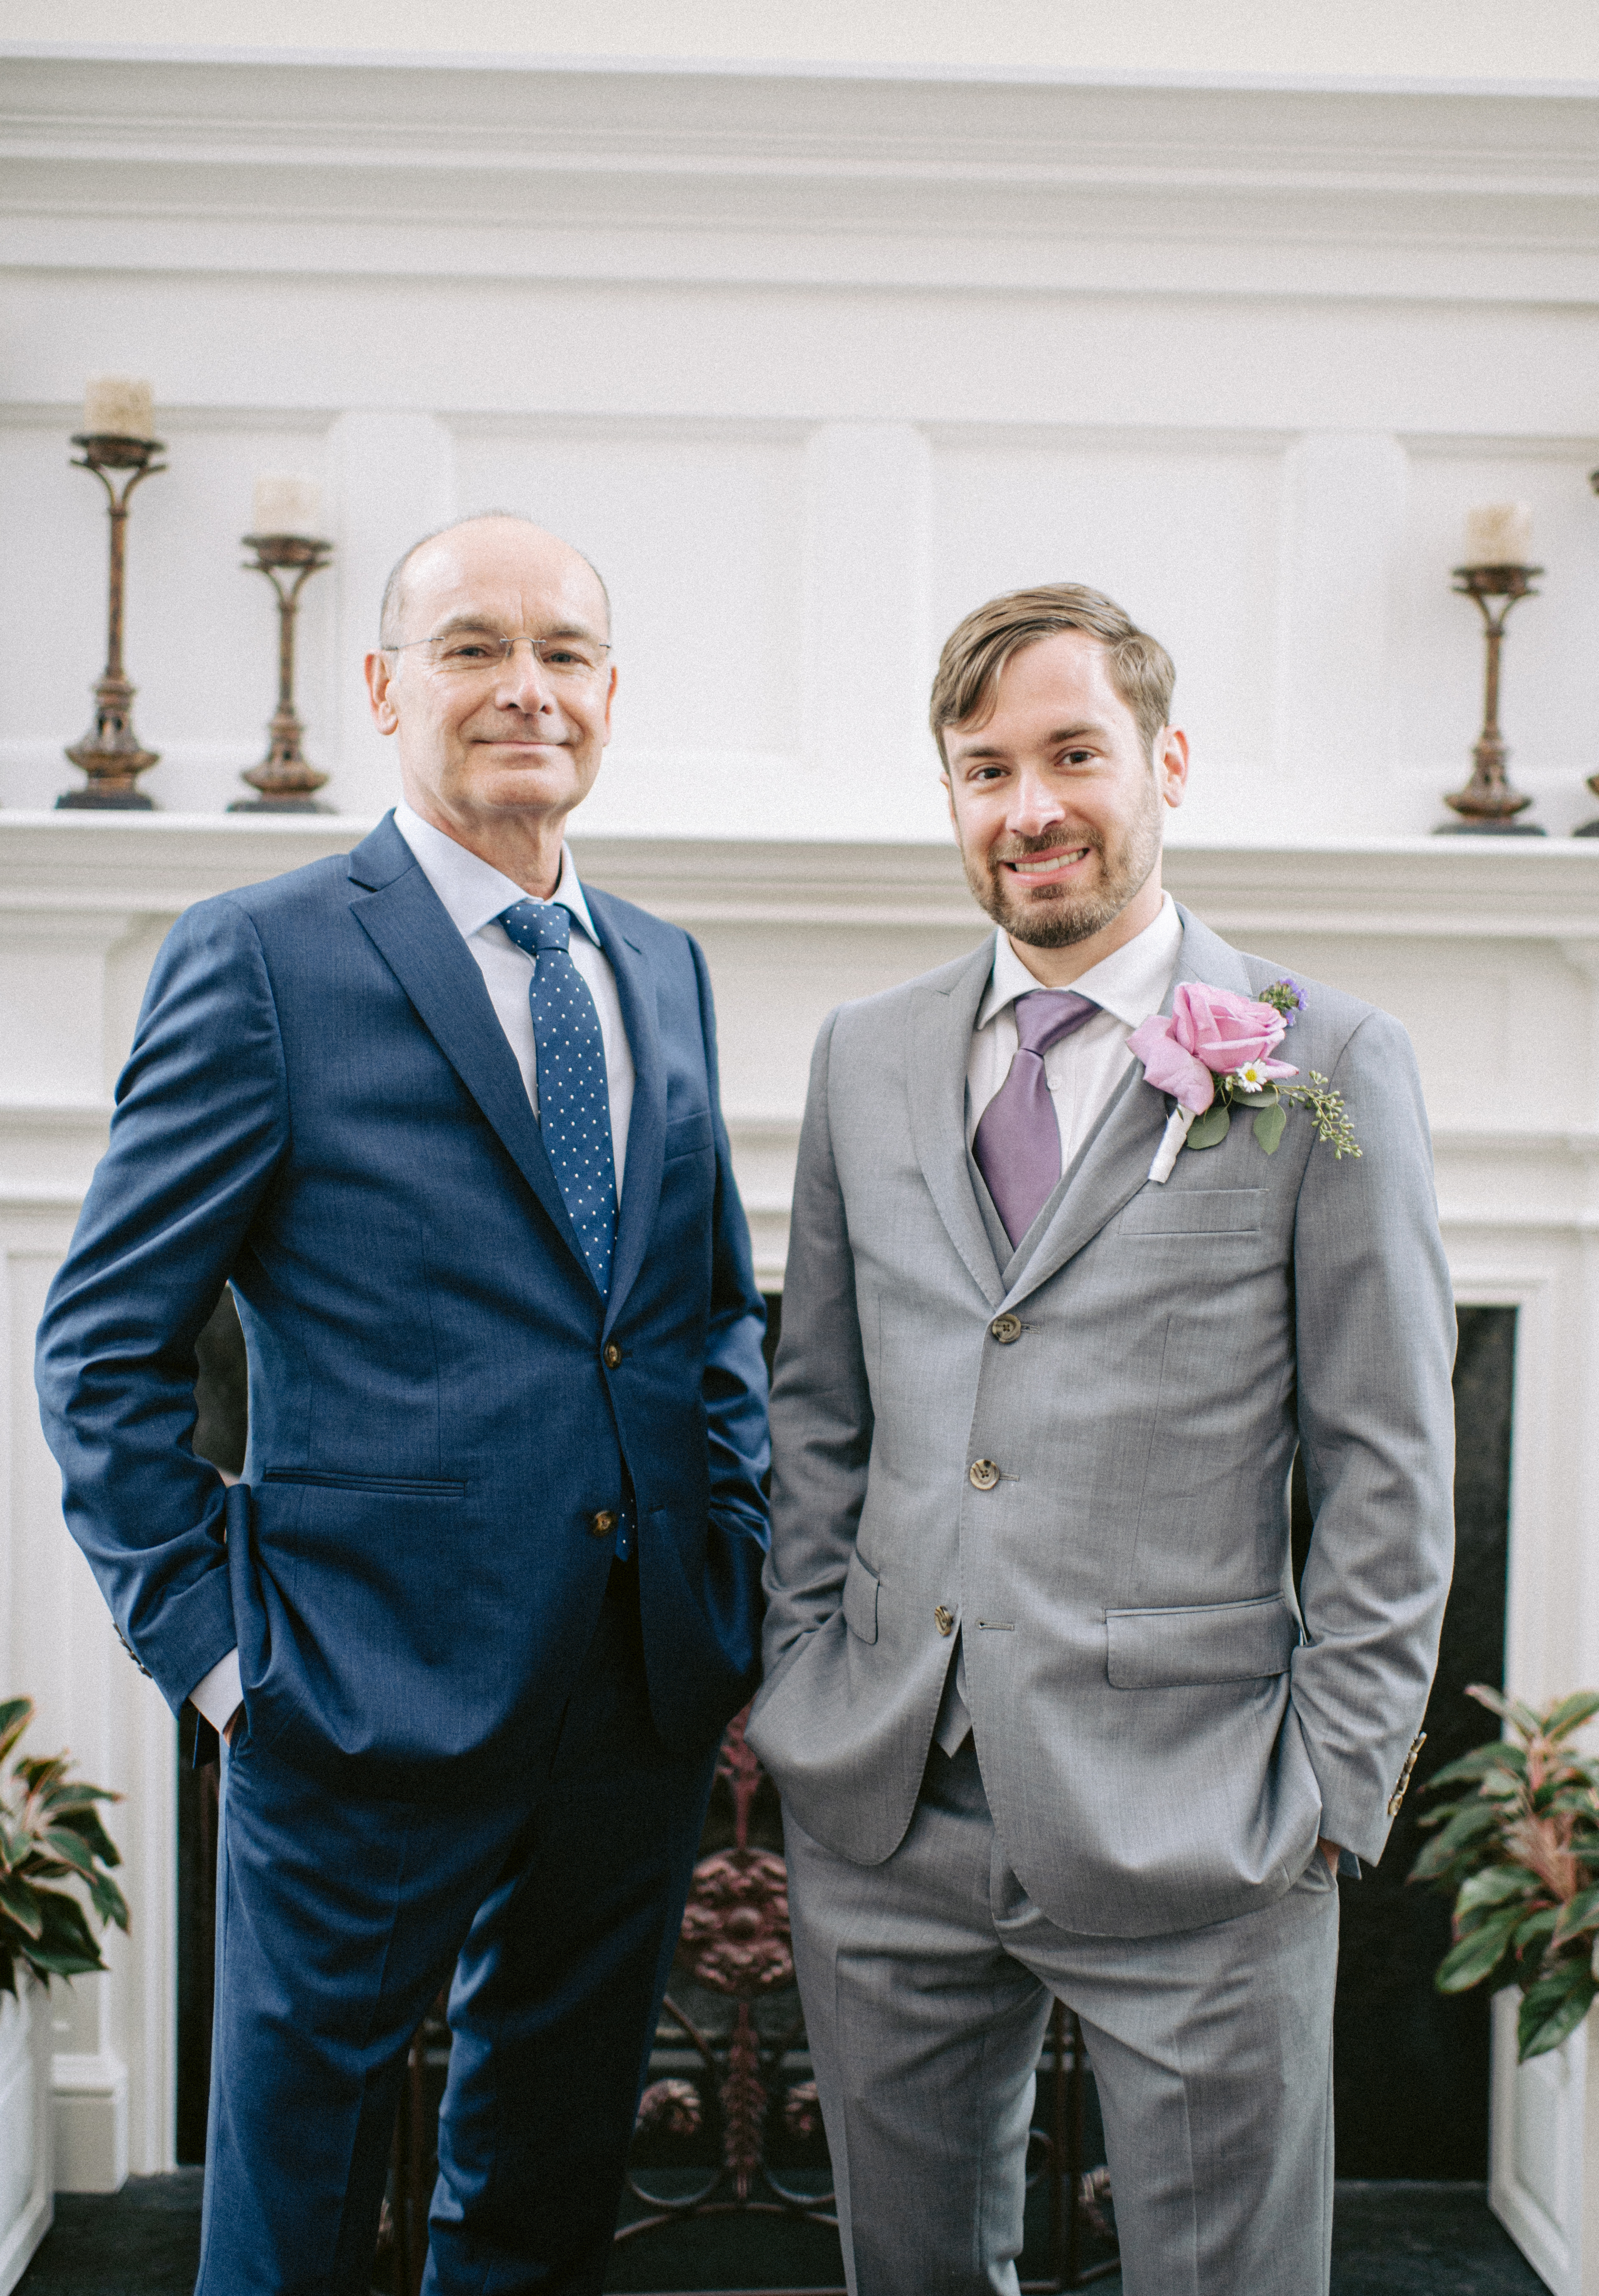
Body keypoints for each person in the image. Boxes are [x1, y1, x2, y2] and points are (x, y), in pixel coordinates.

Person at [36, 513, 770, 2296]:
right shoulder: (262, 959)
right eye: (472, 647)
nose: (526, 687)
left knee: (543, 2187)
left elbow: (700, 1312)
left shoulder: (658, 965)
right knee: (291, 2212)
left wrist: (729, 1559)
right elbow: (102, 1348)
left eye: (564, 652)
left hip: (633, 1697)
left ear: (609, 694)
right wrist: (221, 1660)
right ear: (384, 686)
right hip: (348, 1699)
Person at [747, 583, 1455, 2296]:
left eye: (1073, 753)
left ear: (1167, 762)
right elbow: (819, 1407)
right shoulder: (864, 1059)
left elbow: (1388, 1462)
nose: (1030, 806)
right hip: (888, 1806)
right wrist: (805, 1680)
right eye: (983, 768)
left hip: (1202, 1825)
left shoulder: (1322, 1062)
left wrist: (1327, 1794)